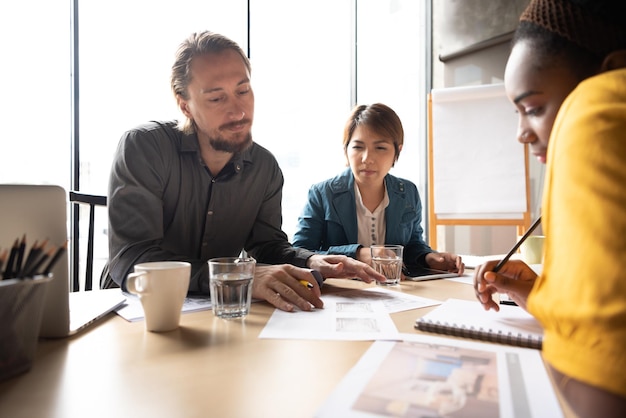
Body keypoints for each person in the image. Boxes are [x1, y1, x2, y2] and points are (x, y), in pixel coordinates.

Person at [103, 30, 387, 313]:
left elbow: (267, 246)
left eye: (243, 91)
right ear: (184, 105)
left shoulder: (264, 168)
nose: (238, 111)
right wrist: (236, 276)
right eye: (217, 98)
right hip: (133, 311)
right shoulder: (144, 148)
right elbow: (134, 260)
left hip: (220, 311)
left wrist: (311, 261)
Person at [473, 0, 626, 416]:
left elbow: (604, 367)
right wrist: (538, 293)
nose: (522, 133)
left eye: (535, 108)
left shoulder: (595, 108)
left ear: (612, 71)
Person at [292, 103, 463, 276]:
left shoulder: (408, 192)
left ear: (397, 151)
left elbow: (412, 245)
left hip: (396, 293)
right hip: (343, 293)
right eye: (358, 147)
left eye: (380, 148)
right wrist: (357, 254)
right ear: (345, 150)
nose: (367, 158)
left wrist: (429, 258)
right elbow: (300, 254)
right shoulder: (322, 193)